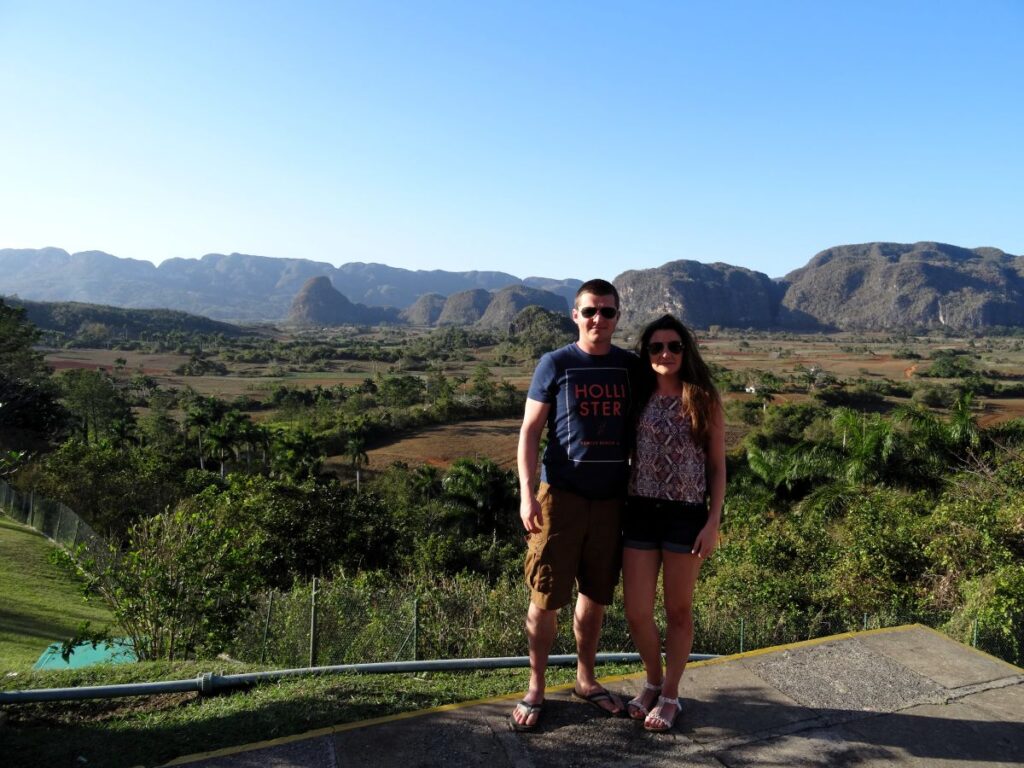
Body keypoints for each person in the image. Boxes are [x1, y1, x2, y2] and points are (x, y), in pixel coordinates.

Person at [510, 278, 641, 731]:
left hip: (611, 499)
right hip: (560, 498)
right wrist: (528, 493)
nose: (598, 320)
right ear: (575, 315)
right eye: (590, 311)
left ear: (617, 317)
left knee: (595, 595)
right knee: (546, 595)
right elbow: (529, 433)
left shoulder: (630, 367)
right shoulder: (556, 363)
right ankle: (537, 686)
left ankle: (587, 679)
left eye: (607, 312)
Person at [622, 314, 725, 732]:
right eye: (656, 347)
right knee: (636, 612)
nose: (665, 353)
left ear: (686, 351)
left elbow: (717, 466)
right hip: (641, 509)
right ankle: (652, 678)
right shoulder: (637, 395)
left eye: (674, 346)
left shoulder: (702, 398)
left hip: (686, 516)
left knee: (678, 610)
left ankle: (670, 694)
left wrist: (713, 521)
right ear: (646, 353)